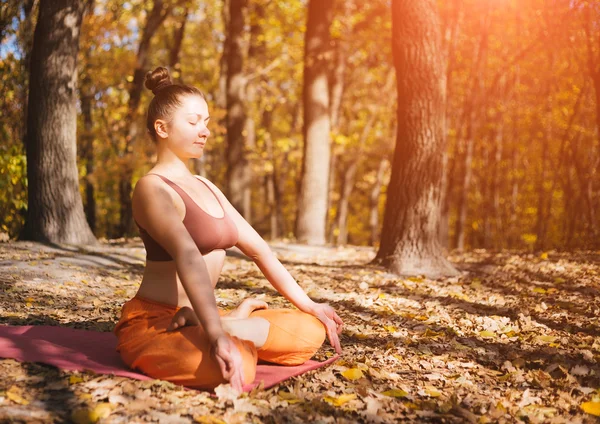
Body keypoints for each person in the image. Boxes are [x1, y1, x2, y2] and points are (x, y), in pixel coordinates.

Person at [114, 67, 343, 392]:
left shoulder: (207, 186)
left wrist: (310, 305)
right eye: (193, 122)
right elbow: (188, 256)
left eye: (206, 122)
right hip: (156, 323)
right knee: (233, 367)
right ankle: (226, 330)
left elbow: (260, 250)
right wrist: (218, 335)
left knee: (310, 330)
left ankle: (226, 324)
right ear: (161, 128)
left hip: (203, 314)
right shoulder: (151, 189)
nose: (204, 131)